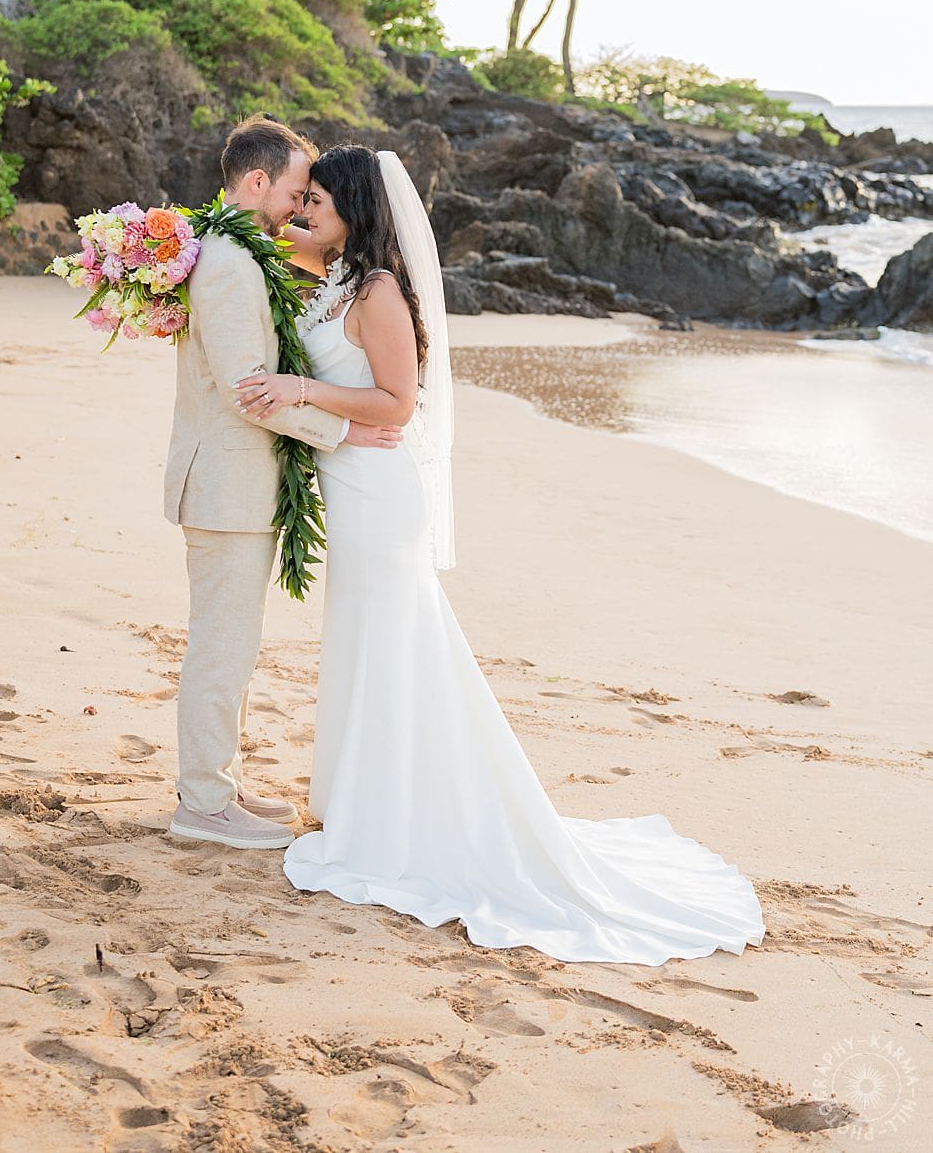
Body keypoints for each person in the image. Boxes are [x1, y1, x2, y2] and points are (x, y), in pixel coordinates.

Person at [234, 144, 766, 964]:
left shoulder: (377, 291)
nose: (308, 213)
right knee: (367, 649)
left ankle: (392, 821)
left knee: (391, 648)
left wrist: (303, 390)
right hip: (356, 484)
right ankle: (360, 803)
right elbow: (252, 235)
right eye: (307, 202)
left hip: (380, 495)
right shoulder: (338, 268)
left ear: (357, 209)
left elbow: (399, 403)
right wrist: (168, 240)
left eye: (322, 203)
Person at [163, 117, 402, 852]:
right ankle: (203, 803)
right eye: (298, 191)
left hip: (237, 483)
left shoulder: (238, 248)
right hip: (227, 484)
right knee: (222, 648)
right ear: (258, 182)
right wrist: (346, 432)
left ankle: (219, 785)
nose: (300, 208)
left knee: (233, 644)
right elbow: (247, 390)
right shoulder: (230, 261)